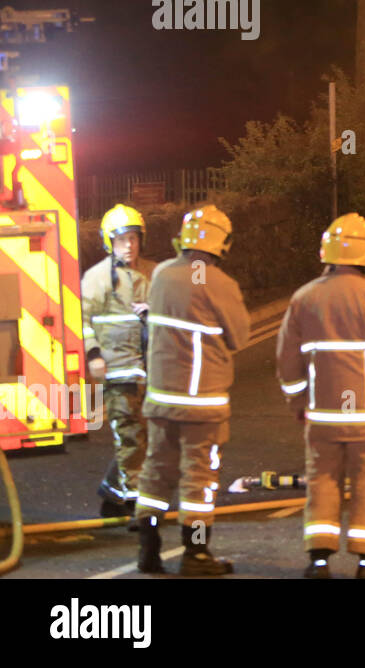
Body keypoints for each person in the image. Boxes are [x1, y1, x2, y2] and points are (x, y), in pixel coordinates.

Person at [276, 213, 365, 579]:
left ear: (327, 252)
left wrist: (298, 403)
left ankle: (318, 561)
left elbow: (287, 362)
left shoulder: (304, 298)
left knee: (322, 480)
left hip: (322, 417)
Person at [134, 205, 249, 576]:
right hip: (200, 403)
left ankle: (148, 549)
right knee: (199, 477)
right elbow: (240, 336)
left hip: (160, 398)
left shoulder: (163, 274)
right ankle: (196, 554)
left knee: (155, 471)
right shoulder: (217, 282)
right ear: (222, 243)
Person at [82, 205, 156, 519]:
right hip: (116, 372)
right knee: (129, 434)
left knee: (146, 436)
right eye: (122, 239)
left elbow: (171, 317)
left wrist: (152, 314)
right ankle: (135, 504)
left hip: (149, 373)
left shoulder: (154, 274)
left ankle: (112, 495)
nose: (129, 245)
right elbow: (83, 322)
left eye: (133, 238)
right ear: (109, 242)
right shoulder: (97, 279)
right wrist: (93, 354)